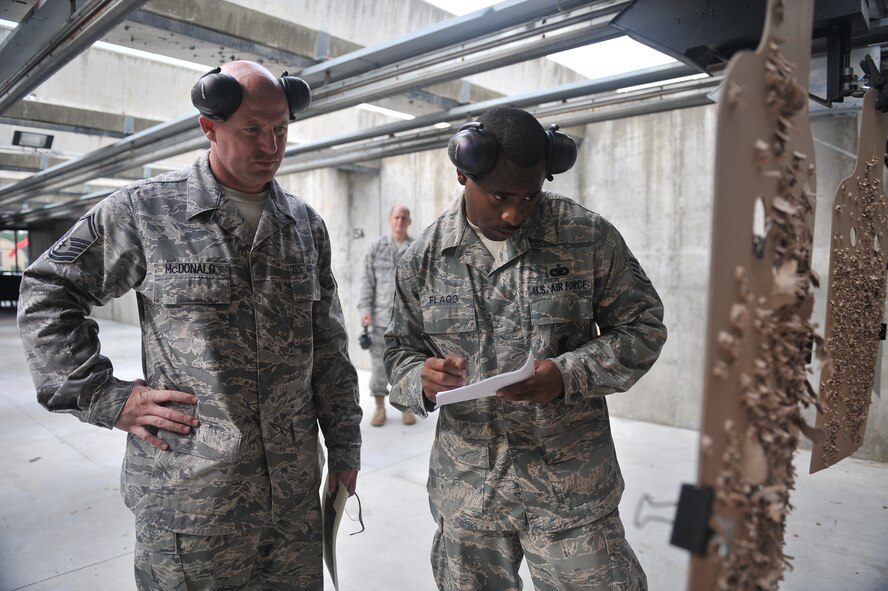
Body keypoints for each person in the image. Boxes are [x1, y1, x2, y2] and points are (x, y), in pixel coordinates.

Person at [17, 60, 362, 590]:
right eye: (252, 129)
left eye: (280, 129)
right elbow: (47, 290)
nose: (270, 146)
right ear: (210, 128)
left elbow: (329, 345)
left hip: (292, 503)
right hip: (192, 503)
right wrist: (105, 397)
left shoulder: (303, 225)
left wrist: (344, 446)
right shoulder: (145, 211)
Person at [384, 106, 666, 591]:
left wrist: (567, 375)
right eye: (500, 196)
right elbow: (398, 354)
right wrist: (420, 380)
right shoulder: (423, 260)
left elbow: (643, 327)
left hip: (571, 494)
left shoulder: (585, 237)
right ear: (463, 173)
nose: (514, 214)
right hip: (470, 495)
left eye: (530, 196)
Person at [358, 205, 416, 426]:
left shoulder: (415, 248)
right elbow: (367, 283)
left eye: (404, 218)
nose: (400, 221)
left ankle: (406, 406)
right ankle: (380, 407)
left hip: (407, 322)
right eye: (396, 217)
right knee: (379, 367)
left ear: (409, 222)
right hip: (380, 320)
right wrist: (365, 312)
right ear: (390, 220)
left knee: (407, 365)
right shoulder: (376, 248)